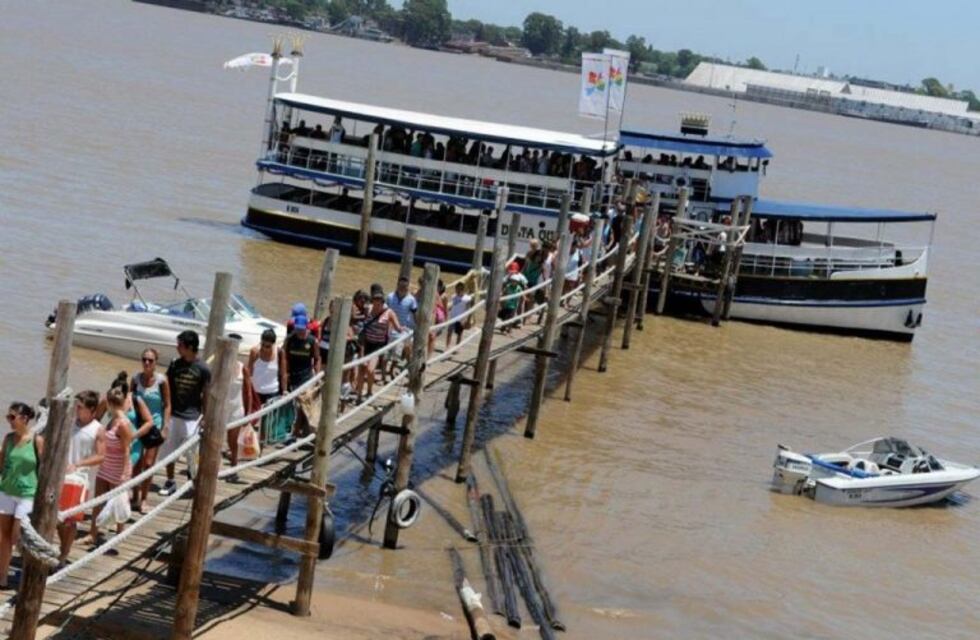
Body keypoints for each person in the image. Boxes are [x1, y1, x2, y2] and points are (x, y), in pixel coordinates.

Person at [159, 330, 210, 496]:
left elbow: (207, 394)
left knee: (192, 454)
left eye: (180, 345)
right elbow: (166, 387)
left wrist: (206, 416)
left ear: (189, 347)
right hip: (174, 415)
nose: (177, 347)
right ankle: (170, 481)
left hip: (192, 417)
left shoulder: (203, 369)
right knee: (169, 450)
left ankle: (192, 481)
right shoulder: (174, 364)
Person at [58, 391, 105, 565]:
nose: (76, 409)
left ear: (91, 409)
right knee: (57, 519)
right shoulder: (70, 423)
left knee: (69, 521)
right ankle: (63, 549)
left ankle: (63, 554)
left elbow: (101, 456)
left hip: (81, 480)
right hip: (62, 476)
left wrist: (78, 464)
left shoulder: (98, 429)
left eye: (80, 407)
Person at [0, 402, 42, 588]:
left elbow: (45, 468)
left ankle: (30, 577)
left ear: (24, 418)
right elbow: (1, 465)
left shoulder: (37, 440)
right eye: (8, 417)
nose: (9, 421)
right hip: (6, 491)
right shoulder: (8, 439)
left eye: (12, 417)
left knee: (19, 537)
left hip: (28, 494)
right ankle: (2, 576)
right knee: (3, 537)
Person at [89, 387, 133, 543]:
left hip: (118, 469)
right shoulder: (112, 419)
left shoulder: (122, 424)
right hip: (105, 466)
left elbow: (127, 449)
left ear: (110, 403)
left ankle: (120, 533)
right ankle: (93, 533)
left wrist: (124, 475)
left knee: (118, 503)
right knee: (98, 500)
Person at [131, 349, 170, 513]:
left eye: (150, 360)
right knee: (136, 462)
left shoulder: (161, 381)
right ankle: (135, 496)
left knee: (148, 464)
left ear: (156, 362)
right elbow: (128, 400)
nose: (147, 363)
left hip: (154, 426)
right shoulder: (135, 379)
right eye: (144, 359)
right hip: (138, 425)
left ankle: (144, 498)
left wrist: (165, 426)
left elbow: (167, 405)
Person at [356, 290, 403, 400]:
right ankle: (358, 395)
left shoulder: (389, 312)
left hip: (377, 345)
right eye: (374, 302)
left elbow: (397, 327)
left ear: (383, 303)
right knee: (362, 369)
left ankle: (369, 391)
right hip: (365, 343)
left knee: (370, 370)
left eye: (379, 303)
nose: (376, 306)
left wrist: (402, 329)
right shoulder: (368, 309)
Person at [386, 276, 418, 373]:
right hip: (389, 328)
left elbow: (415, 314)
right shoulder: (390, 296)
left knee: (406, 348)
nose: (403, 288)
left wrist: (418, 328)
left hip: (404, 329)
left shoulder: (411, 299)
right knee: (387, 353)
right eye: (401, 286)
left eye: (405, 286)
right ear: (397, 285)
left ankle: (403, 367)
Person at [499, 262, 527, 333]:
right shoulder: (508, 276)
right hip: (508, 299)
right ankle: (505, 326)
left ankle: (518, 322)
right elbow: (503, 284)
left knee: (519, 308)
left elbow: (525, 285)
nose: (512, 272)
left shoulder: (521, 277)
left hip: (517, 296)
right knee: (506, 314)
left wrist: (523, 295)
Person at [446, 281, 472, 348]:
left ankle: (457, 347)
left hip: (461, 318)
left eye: (460, 289)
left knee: (459, 333)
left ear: (463, 290)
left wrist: (467, 319)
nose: (458, 291)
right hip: (452, 317)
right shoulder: (454, 296)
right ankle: (447, 346)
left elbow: (469, 309)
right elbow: (452, 305)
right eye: (457, 289)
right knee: (449, 332)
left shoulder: (467, 298)